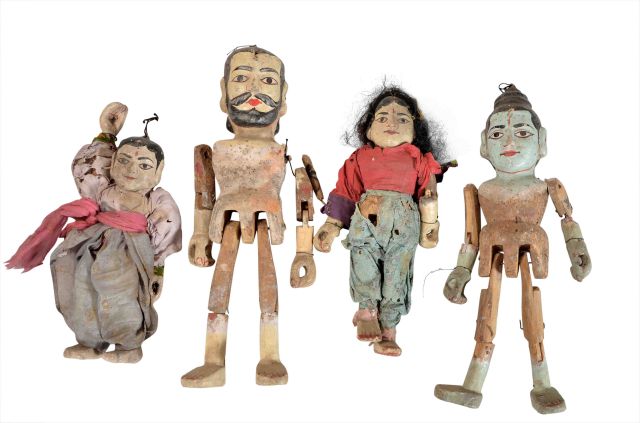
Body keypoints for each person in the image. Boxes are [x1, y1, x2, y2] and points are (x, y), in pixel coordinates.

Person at [7, 132, 181, 364]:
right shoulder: (103, 188)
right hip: (91, 241)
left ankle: (129, 345)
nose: (132, 169)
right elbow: (89, 165)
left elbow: (167, 231)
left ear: (158, 172)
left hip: (130, 250)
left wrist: (157, 271)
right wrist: (106, 134)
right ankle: (90, 341)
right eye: (123, 160)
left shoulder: (156, 199)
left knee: (122, 293)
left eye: (144, 165)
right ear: (113, 162)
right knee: (80, 285)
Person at [314, 86, 447, 356]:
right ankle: (366, 310)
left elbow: (429, 195)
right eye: (383, 118)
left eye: (402, 119)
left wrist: (430, 227)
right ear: (369, 129)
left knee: (398, 273)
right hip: (366, 222)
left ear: (415, 131)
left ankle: (389, 328)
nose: (392, 124)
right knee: (362, 257)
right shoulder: (360, 158)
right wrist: (332, 225)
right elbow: (346, 190)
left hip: (404, 228)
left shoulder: (419, 159)